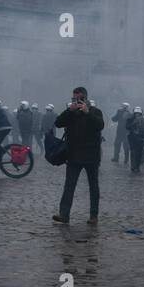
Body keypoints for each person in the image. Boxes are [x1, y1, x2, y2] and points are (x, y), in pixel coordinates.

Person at [52, 86, 105, 224]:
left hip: (91, 156)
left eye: (79, 98)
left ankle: (94, 215)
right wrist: (69, 110)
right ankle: (64, 214)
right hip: (74, 155)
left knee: (93, 187)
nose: (77, 101)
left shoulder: (95, 111)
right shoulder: (71, 113)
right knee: (69, 186)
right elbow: (57, 123)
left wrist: (88, 113)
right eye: (74, 99)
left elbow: (100, 125)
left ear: (85, 99)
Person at [126, 106, 144, 173]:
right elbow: (127, 127)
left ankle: (137, 166)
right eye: (136, 113)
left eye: (138, 113)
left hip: (141, 139)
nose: (137, 115)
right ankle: (133, 166)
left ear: (140, 114)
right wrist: (133, 124)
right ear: (134, 113)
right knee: (133, 152)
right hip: (132, 138)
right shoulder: (130, 119)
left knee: (139, 153)